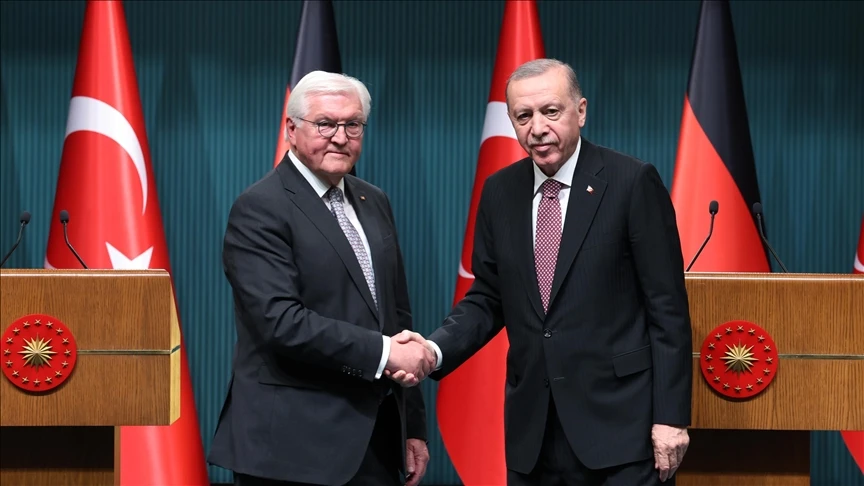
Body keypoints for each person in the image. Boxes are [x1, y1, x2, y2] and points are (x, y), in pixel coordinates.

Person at [392, 59, 693, 485]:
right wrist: (433, 350)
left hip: (622, 431)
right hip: (534, 436)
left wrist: (671, 418)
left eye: (551, 111)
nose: (537, 128)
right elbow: (488, 296)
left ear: (581, 111)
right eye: (523, 116)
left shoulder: (631, 182)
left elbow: (668, 311)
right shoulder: (500, 191)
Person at [208, 70, 436, 486]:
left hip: (376, 441)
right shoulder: (260, 207)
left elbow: (396, 318)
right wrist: (385, 353)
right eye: (325, 123)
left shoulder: (373, 200)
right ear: (291, 130)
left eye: (352, 124)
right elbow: (281, 322)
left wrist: (412, 426)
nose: (340, 136)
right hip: (292, 450)